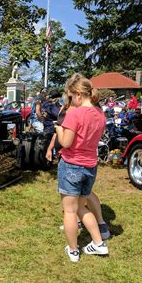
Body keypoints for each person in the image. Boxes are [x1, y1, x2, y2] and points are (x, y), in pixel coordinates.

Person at [52, 73, 108, 262]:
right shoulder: (100, 114)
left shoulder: (74, 113)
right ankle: (99, 244)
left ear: (77, 94)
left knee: (69, 211)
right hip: (90, 165)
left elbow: (66, 143)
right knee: (82, 208)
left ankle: (73, 250)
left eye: (70, 96)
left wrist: (59, 129)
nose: (69, 100)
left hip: (71, 165)